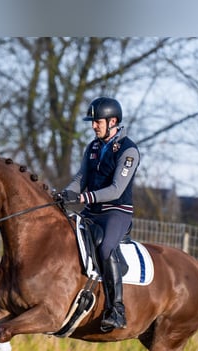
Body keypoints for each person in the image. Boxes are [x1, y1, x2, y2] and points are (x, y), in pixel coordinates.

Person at [61, 97, 140, 332]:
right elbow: (81, 179)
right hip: (92, 211)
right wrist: (65, 194)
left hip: (116, 212)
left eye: (97, 122)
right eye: (93, 122)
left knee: (105, 248)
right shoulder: (93, 147)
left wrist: (84, 198)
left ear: (113, 121)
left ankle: (116, 310)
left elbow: (116, 189)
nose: (94, 126)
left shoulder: (129, 150)